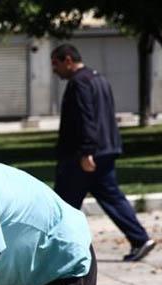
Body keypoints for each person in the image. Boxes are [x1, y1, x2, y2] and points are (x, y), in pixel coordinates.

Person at [51, 43, 156, 262]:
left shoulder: (79, 83)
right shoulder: (99, 78)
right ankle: (139, 239)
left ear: (68, 60)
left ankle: (55, 252)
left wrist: (87, 151)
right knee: (111, 197)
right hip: (106, 148)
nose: (54, 69)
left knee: (62, 204)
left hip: (84, 155)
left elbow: (86, 117)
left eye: (56, 63)